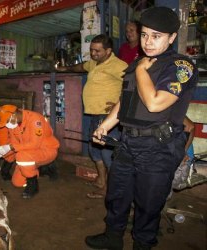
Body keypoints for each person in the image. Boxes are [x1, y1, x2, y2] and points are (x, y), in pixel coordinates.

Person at [85, 7, 198, 250]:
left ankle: (142, 245)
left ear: (171, 38)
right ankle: (112, 238)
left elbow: (155, 103)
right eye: (145, 34)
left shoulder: (180, 66)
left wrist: (140, 71)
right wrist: (105, 126)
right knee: (116, 196)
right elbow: (125, 101)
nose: (148, 41)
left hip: (158, 148)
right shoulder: (138, 63)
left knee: (148, 206)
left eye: (156, 36)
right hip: (128, 144)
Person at [57, 34, 128, 199]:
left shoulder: (118, 65)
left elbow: (133, 83)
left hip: (109, 117)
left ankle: (109, 189)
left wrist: (121, 103)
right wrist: (64, 68)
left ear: (108, 51)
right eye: (91, 50)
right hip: (94, 114)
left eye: (97, 51)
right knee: (95, 150)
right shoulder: (95, 63)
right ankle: (101, 181)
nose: (93, 53)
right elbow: (82, 67)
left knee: (107, 153)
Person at [0, 104, 60, 199]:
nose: (7, 124)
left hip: (46, 150)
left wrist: (11, 147)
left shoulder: (35, 119)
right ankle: (40, 169)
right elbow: (13, 143)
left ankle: (33, 186)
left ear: (14, 114)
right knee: (17, 183)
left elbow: (34, 144)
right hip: (29, 153)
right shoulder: (13, 124)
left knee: (21, 156)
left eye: (7, 120)